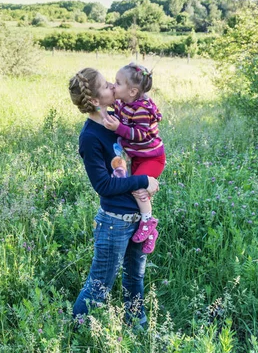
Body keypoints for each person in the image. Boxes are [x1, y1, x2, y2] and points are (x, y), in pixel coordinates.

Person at [68, 67, 160, 327]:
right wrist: (144, 181)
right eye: (107, 85)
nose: (113, 86)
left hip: (137, 219)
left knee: (135, 277)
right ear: (96, 100)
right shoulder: (90, 137)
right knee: (100, 285)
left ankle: (137, 324)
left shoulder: (118, 124)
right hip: (114, 222)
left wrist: (150, 179)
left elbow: (144, 143)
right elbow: (105, 185)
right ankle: (75, 332)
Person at [102, 63, 165, 254]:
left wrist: (118, 129)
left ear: (133, 91)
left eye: (117, 83)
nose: (114, 86)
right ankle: (145, 226)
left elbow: (140, 135)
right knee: (134, 190)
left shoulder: (142, 109)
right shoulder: (124, 102)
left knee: (138, 188)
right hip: (138, 157)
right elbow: (109, 102)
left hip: (152, 158)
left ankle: (149, 223)